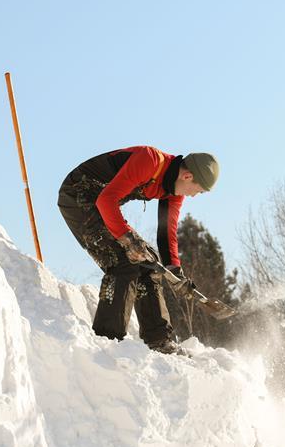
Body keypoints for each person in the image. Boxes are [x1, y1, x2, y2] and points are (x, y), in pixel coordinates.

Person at [58, 146, 219, 355]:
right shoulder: (150, 161)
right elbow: (106, 200)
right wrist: (127, 238)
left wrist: (176, 272)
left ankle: (159, 340)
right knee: (122, 261)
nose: (195, 196)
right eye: (198, 191)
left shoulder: (173, 192)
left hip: (103, 203)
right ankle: (108, 340)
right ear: (187, 176)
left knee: (148, 262)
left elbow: (166, 233)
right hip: (78, 195)